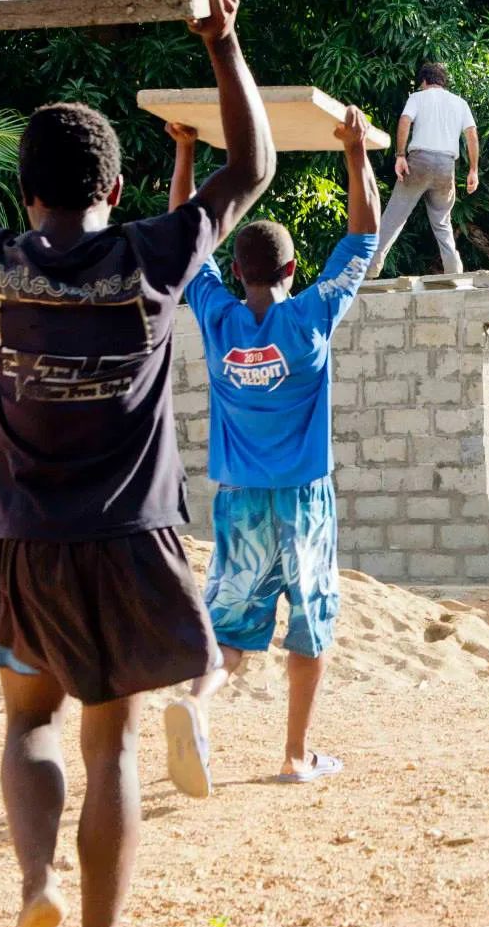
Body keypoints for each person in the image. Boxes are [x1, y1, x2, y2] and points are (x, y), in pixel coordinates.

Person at [0, 0, 276, 927]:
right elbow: (253, 168)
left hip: (27, 544)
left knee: (29, 726)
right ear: (110, 188)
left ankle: (36, 883)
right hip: (136, 536)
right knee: (112, 742)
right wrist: (221, 45)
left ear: (26, 192)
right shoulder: (150, 253)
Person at [157, 104, 378, 796]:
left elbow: (187, 241)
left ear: (243, 270)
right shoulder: (310, 318)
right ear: (289, 267)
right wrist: (355, 151)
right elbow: (364, 236)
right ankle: (295, 757)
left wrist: (186, 153)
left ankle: (193, 707)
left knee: (229, 633)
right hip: (305, 498)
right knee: (311, 628)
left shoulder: (217, 320)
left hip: (240, 502)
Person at [366, 63, 477, 278]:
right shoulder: (459, 103)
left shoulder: (417, 97)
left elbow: (405, 120)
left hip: (420, 161)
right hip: (446, 166)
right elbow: (471, 135)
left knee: (394, 216)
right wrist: (473, 170)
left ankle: (371, 268)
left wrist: (400, 155)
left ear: (424, 82)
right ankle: (454, 271)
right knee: (442, 221)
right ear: (443, 82)